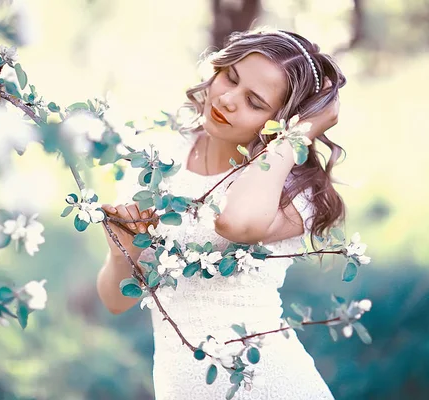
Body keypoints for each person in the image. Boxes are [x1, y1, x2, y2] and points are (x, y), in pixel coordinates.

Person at [96, 27, 345, 399]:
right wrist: (124, 255)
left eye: (255, 102)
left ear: (282, 120)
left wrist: (299, 134)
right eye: (229, 77)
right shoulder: (157, 159)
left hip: (268, 386)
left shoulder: (290, 188)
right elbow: (115, 301)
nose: (227, 99)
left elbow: (234, 222)